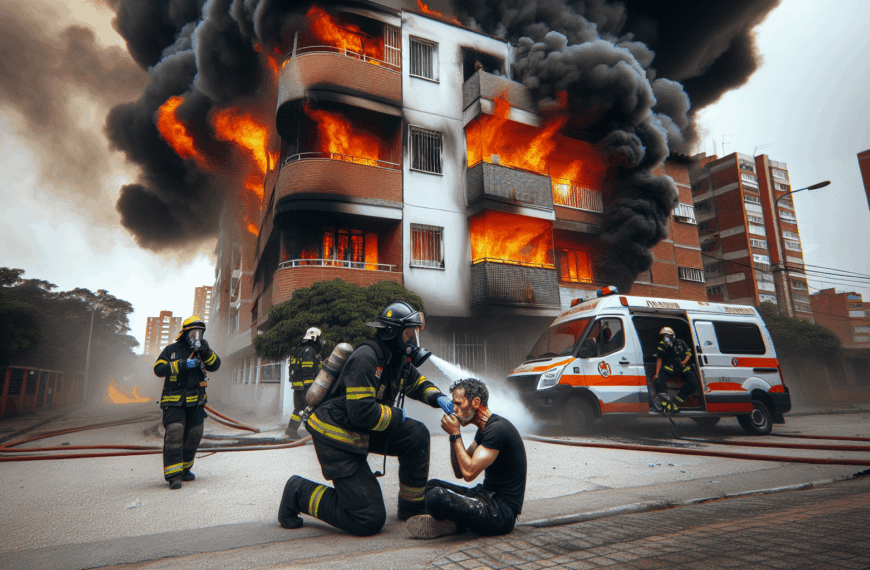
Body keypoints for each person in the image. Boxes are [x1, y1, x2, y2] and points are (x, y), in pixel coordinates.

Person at [277, 301, 454, 536]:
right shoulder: (366, 359)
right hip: (337, 435)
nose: (412, 341)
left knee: (416, 434)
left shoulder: (395, 359)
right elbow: (362, 412)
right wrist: (397, 415)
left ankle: (411, 506)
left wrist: (439, 398)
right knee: (368, 518)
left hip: (359, 429)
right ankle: (298, 492)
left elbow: (416, 383)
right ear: (392, 333)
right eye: (409, 334)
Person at [407, 378, 527, 539]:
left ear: (476, 402)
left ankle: (455, 525)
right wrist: (453, 437)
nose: (453, 409)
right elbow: (459, 472)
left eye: (459, 404)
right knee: (431, 486)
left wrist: (456, 434)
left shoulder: (497, 429)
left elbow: (469, 473)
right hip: (484, 496)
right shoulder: (484, 430)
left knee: (436, 497)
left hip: (500, 513)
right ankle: (453, 523)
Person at [152, 316, 221, 490]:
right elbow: (158, 369)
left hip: (195, 403)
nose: (196, 336)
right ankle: (174, 476)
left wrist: (206, 352)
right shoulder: (171, 350)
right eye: (193, 332)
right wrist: (182, 364)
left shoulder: (202, 351)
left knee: (194, 435)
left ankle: (184, 470)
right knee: (175, 433)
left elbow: (215, 365)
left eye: (200, 333)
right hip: (173, 403)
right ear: (184, 333)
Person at [285, 327, 325, 438]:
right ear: (315, 338)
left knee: (299, 409)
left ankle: (291, 430)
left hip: (297, 386)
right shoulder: (309, 350)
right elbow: (308, 370)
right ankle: (315, 434)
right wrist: (313, 386)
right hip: (306, 386)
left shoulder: (299, 350)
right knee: (310, 409)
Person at [652, 327, 698, 413]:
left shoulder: (681, 342)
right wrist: (657, 374)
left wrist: (684, 362)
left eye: (668, 336)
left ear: (672, 336)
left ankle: (676, 401)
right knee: (657, 380)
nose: (666, 338)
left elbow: (688, 353)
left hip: (682, 368)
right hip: (669, 368)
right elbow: (659, 359)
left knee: (693, 383)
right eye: (663, 336)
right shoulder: (662, 344)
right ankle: (666, 401)